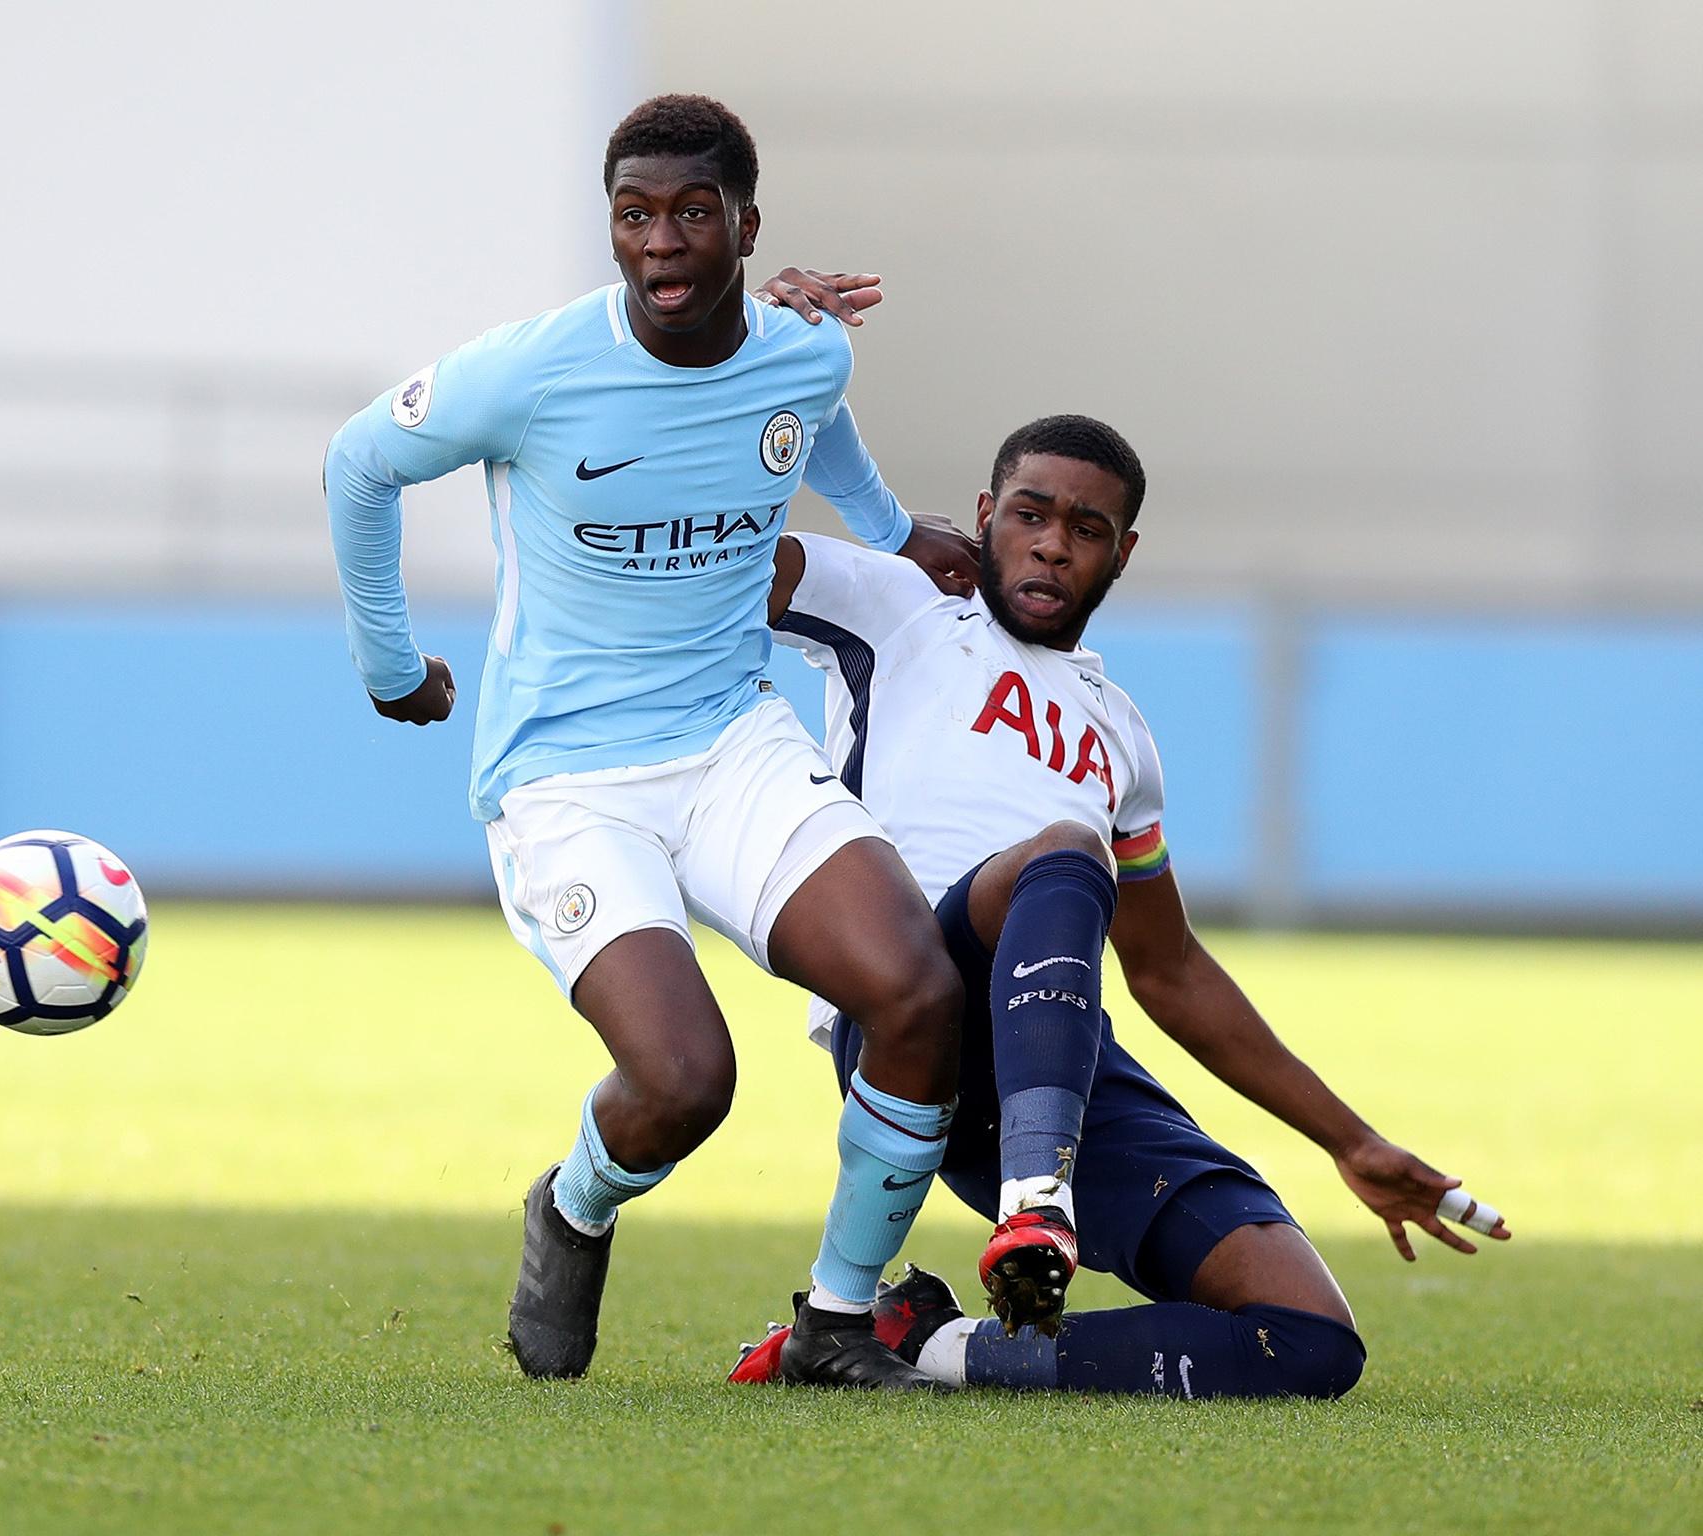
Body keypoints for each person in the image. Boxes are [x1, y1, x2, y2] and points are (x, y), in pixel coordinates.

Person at [322, 95, 982, 1390]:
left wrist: (897, 534)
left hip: (733, 743)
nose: (662, 243)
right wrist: (391, 668)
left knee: (918, 991)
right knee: (685, 1082)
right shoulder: (534, 371)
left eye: (692, 214)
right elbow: (358, 463)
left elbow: (812, 427)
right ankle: (573, 1206)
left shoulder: (805, 351)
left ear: (747, 224)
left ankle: (836, 1322)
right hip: (566, 781)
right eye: (635, 216)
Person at [730, 413, 1510, 1397]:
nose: (1053, 544)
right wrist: (769, 399)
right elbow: (712, 558)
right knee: (1065, 850)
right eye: (1029, 515)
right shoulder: (902, 605)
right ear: (984, 516)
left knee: (1310, 1342)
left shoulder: (1123, 738)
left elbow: (1170, 970)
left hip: (1062, 1054)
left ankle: (928, 1342)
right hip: (913, 1011)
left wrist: (1350, 1140)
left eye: (1086, 529)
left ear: (1121, 554)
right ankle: (1035, 1198)